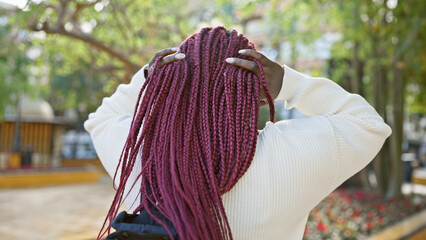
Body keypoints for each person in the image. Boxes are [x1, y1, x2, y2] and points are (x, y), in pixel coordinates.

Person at [84, 27, 392, 240]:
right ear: (252, 91)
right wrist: (288, 83)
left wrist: (149, 78)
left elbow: (100, 119)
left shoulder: (141, 157)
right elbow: (368, 124)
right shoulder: (288, 155)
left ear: (172, 85)